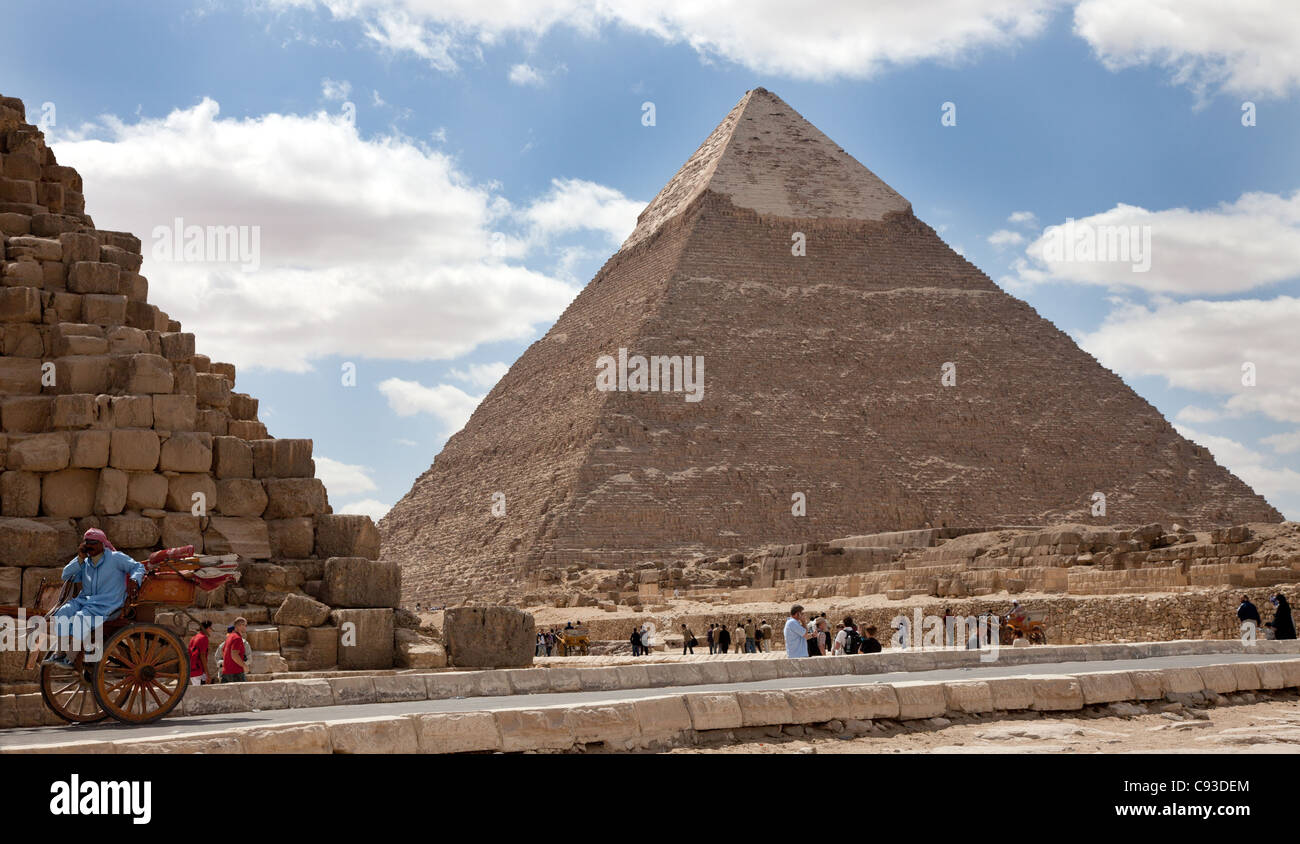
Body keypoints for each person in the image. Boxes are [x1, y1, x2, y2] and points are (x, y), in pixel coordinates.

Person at [44, 528, 147, 668]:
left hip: (108, 605)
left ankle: (71, 658)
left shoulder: (116, 558)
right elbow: (66, 576)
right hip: (85, 602)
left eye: (93, 543)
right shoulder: (85, 562)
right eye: (87, 543)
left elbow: (138, 567)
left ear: (102, 544)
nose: (90, 546)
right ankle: (60, 654)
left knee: (81, 618)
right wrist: (79, 558)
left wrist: (135, 580)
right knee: (63, 612)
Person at [221, 617, 249, 682]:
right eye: (245, 625)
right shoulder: (237, 638)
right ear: (239, 626)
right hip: (236, 673)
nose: (245, 627)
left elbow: (223, 652)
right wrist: (244, 666)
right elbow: (234, 655)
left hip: (226, 672)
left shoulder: (229, 637)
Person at [188, 620, 215, 685]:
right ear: (208, 628)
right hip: (198, 670)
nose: (211, 630)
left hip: (192, 669)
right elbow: (202, 656)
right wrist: (207, 673)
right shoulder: (204, 638)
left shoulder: (194, 637)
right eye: (211, 628)